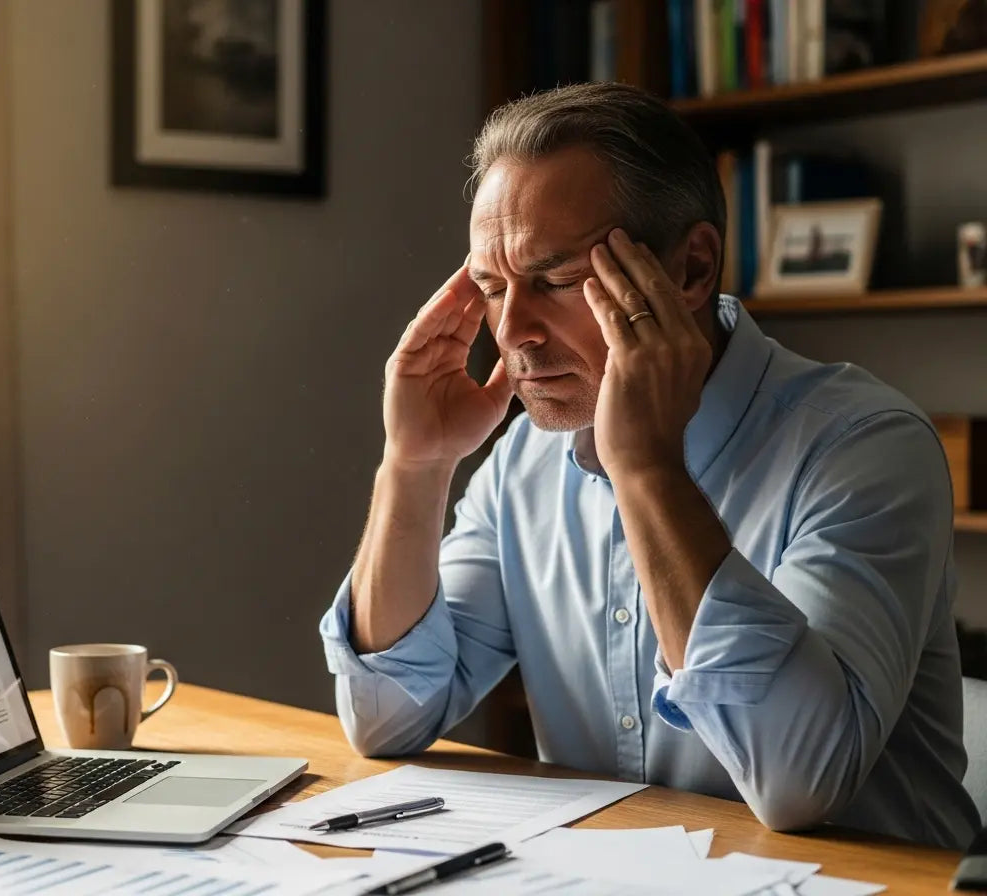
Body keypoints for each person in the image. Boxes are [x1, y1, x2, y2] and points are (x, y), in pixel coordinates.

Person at [318, 82, 979, 849]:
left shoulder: (865, 447)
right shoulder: (525, 462)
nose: (511, 334)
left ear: (692, 268)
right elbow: (385, 717)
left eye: (556, 281)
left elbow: (799, 781)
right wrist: (416, 462)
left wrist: (646, 471)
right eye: (492, 288)